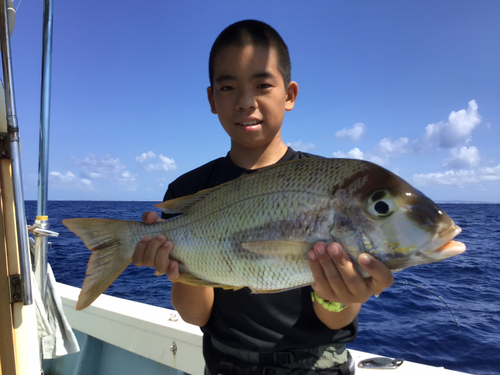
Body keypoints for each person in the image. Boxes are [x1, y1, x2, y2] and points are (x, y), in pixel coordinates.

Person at [132, 20, 394, 375]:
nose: (245, 102)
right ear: (211, 98)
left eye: (262, 85)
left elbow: (334, 321)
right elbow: (196, 315)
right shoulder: (188, 190)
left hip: (319, 366)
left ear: (289, 94)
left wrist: (341, 296)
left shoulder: (329, 184)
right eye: (228, 87)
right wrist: (176, 271)